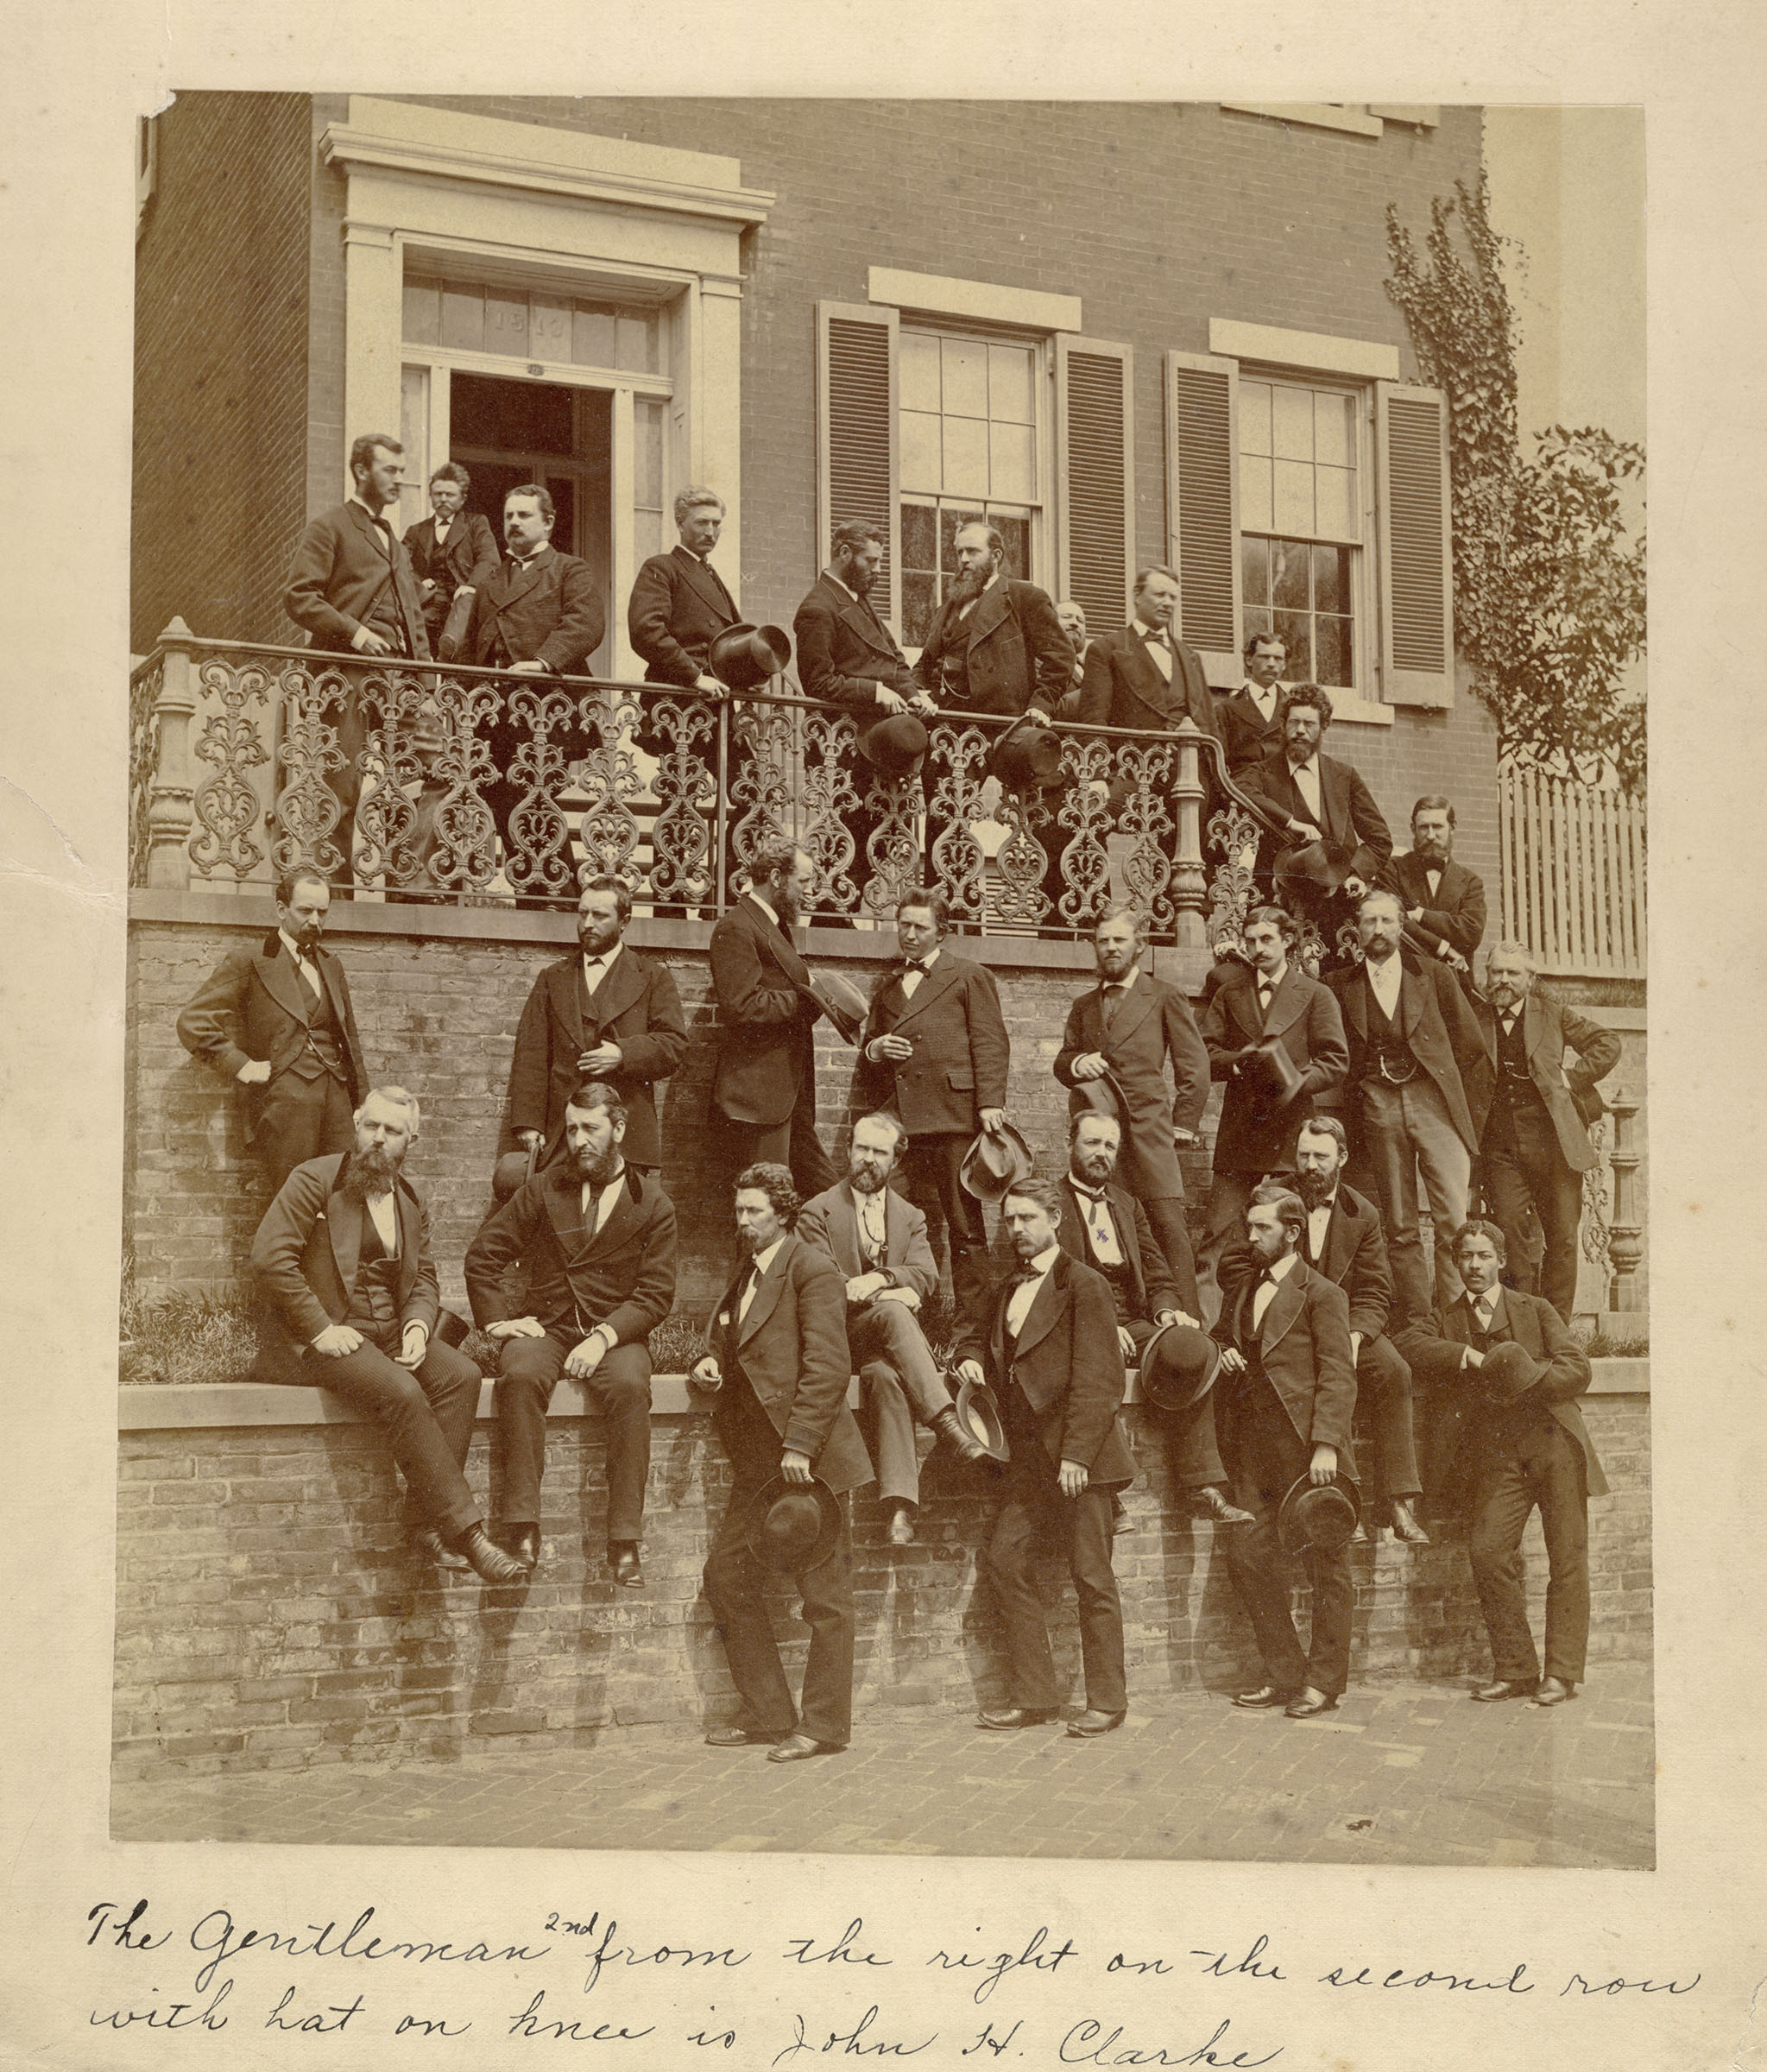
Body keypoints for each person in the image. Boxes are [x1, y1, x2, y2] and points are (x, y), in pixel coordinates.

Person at [249, 1087, 524, 1585]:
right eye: (370, 1126)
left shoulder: (409, 1200)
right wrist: (321, 1329)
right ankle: (469, 1536)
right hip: (323, 1338)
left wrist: (419, 1326)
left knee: (461, 1374)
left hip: (390, 1332)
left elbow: (424, 1277)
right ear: (356, 1124)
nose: (377, 1139)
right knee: (402, 1391)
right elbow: (270, 1259)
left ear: (410, 1140)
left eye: (392, 1131)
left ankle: (425, 1526)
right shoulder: (314, 1179)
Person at [463, 1080, 676, 1588]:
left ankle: (624, 1540)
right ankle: (522, 1528)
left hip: (615, 1334)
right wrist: (498, 1321)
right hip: (549, 1324)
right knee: (517, 1375)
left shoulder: (654, 1204)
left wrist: (604, 1337)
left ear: (619, 1130)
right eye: (572, 1128)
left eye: (591, 1129)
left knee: (629, 1388)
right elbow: (483, 1255)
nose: (579, 1140)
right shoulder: (542, 1189)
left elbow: (654, 1295)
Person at [692, 1164, 871, 1762]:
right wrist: (708, 1362)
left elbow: (827, 1367)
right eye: (738, 1211)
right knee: (725, 1577)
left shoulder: (812, 1270)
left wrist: (799, 1444)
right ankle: (768, 1710)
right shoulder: (746, 1269)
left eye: (754, 1213)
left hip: (808, 1461)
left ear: (783, 1213)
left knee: (824, 1598)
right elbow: (727, 1335)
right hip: (757, 1464)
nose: (742, 1223)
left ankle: (823, 1727)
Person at [955, 1177, 1137, 1737]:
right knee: (1004, 1560)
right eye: (1009, 1220)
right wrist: (968, 1360)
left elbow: (1099, 1379)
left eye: (1028, 1219)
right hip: (1028, 1461)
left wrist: (1077, 1456)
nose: (1017, 1230)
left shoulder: (1083, 1285)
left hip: (1080, 1459)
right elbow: (972, 1337)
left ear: (1054, 1219)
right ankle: (1035, 1697)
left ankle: (1107, 1701)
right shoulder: (1005, 1284)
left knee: (1091, 1577)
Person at [1395, 1219, 1604, 1706]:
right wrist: (1466, 1355)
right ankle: (1515, 1670)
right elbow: (1408, 1344)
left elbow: (1578, 1367)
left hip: (1553, 1441)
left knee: (1567, 1557)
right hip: (1499, 1456)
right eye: (1465, 1256)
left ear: (1501, 1261)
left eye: (1484, 1256)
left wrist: (1527, 1378)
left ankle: (1562, 1674)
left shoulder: (1536, 1308)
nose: (1474, 1265)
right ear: (1455, 1261)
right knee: (1488, 1552)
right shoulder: (1447, 1319)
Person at [797, 1114, 989, 1545]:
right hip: (837, 1335)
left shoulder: (910, 1216)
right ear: (849, 1151)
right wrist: (888, 1294)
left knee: (886, 1379)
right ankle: (949, 1424)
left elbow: (926, 1274)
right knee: (896, 1314)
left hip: (885, 1348)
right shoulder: (818, 1210)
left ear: (895, 1160)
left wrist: (883, 1280)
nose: (867, 1160)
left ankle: (900, 1508)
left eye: (879, 1153)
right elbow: (822, 1282)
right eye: (861, 1149)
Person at [1057, 1111, 1252, 1527]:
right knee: (1095, 1365)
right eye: (1092, 1143)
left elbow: (1158, 1271)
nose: (1101, 1154)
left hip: (1136, 1321)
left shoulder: (1127, 1205)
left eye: (1109, 1147)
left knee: (1196, 1349)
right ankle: (1108, 1493)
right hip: (1077, 1322)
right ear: (1070, 1144)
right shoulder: (1050, 1205)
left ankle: (1203, 1486)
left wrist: (1166, 1310)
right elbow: (1050, 1282)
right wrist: (1101, 1325)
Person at [1243, 1115, 1429, 1544]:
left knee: (1393, 1370)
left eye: (1321, 1157)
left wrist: (1357, 1334)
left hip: (1343, 1327)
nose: (1310, 1165)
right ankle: (1346, 1499)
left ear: (1342, 1158)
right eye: (1304, 1155)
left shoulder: (1361, 1213)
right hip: (1285, 1326)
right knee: (1328, 1374)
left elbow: (1376, 1288)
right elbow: (1240, 1263)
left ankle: (1399, 1499)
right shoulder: (1272, 1198)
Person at [1211, 1183, 1359, 1718]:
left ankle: (1324, 1683)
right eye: (1249, 1227)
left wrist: (1326, 1447)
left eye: (1262, 1228)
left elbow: (1339, 1376)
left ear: (1292, 1233)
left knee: (1328, 1568)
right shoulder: (1244, 1287)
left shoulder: (1324, 1294)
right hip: (1254, 1450)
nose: (1251, 1237)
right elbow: (1219, 1336)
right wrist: (1222, 1350)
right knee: (1247, 1556)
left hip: (1305, 1450)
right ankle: (1284, 1672)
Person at [1328, 890, 1492, 1323]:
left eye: (1386, 921)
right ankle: (1420, 1321)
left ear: (1402, 926)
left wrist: (1460, 1112)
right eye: (1369, 922)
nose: (1378, 930)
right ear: (1356, 930)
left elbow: (1472, 1048)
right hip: (1377, 1106)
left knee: (1453, 1219)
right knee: (1399, 1225)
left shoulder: (1435, 975)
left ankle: (1459, 1320)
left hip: (1433, 1102)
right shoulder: (1340, 985)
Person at [855, 887, 1011, 1334]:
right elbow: (869, 1057)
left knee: (964, 1227)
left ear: (941, 931)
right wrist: (876, 1049)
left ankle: (971, 1332)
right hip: (902, 1119)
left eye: (920, 927)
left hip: (953, 1116)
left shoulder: (967, 976)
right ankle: (895, 1318)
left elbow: (990, 1040)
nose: (909, 934)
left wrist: (989, 1104)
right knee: (888, 1215)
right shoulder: (888, 986)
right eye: (903, 925)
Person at [282, 433, 432, 881]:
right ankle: (335, 893)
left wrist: (426, 687)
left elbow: (414, 619)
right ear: (362, 470)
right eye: (390, 470)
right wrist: (355, 632)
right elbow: (299, 597)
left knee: (431, 772)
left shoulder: (395, 542)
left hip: (398, 682)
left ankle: (409, 889)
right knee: (341, 785)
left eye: (402, 473)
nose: (399, 481)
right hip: (344, 675)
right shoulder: (330, 526)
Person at [1196, 903, 1348, 1320]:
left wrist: (1297, 1079)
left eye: (1267, 939)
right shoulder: (1230, 993)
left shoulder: (1316, 994)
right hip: (1241, 1128)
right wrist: (1238, 1062)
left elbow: (1336, 1060)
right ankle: (1210, 1337)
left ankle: (1292, 1328)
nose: (1258, 948)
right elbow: (1204, 1054)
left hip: (1292, 1132)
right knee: (1218, 1235)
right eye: (1251, 941)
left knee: (1293, 1236)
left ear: (1287, 941)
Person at [1054, 904, 1209, 1311]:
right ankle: (1127, 1317)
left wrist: (1182, 1125)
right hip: (1102, 1137)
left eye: (1119, 940)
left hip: (1149, 1131)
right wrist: (1076, 1063)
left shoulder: (1164, 997)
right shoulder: (1084, 1006)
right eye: (1102, 941)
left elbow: (1195, 1067)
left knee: (1167, 1227)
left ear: (1139, 946)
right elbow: (1062, 1060)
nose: (1110, 948)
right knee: (1110, 1225)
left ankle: (1191, 1328)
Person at [176, 870, 368, 1195]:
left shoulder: (330, 964)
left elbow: (350, 1037)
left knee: (341, 1195)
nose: (315, 920)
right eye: (305, 911)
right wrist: (243, 1065)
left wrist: (362, 1101)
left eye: (322, 912)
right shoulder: (250, 959)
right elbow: (193, 1021)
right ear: (282, 909)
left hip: (337, 1097)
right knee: (292, 1197)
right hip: (286, 1098)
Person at [466, 483, 606, 889]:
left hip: (549, 712)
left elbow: (585, 624)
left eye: (523, 515)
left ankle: (560, 893)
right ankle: (538, 891)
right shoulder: (491, 580)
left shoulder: (569, 569)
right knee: (502, 800)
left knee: (532, 799)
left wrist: (542, 662)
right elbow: (475, 642)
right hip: (497, 715)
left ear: (547, 523)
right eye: (508, 516)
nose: (513, 523)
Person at [1474, 943, 1619, 1321]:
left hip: (1554, 1141)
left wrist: (1572, 1078)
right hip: (1500, 1144)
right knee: (1509, 1234)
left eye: (1513, 973)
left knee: (1563, 1239)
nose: (1503, 980)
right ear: (1486, 975)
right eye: (1496, 972)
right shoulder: (1475, 1016)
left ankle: (1556, 1327)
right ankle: (1524, 1323)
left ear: (1530, 979)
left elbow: (1608, 1043)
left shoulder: (1552, 1013)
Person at [505, 875, 687, 1177]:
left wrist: (623, 1054)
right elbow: (531, 1055)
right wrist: (529, 1124)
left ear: (624, 921)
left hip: (625, 1131)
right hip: (563, 1133)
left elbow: (674, 1044)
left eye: (600, 915)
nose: (588, 923)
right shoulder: (553, 978)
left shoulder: (653, 977)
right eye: (583, 913)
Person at [707, 837, 839, 1198]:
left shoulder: (771, 925)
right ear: (777, 877)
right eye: (805, 881)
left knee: (825, 1197)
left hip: (786, 1099)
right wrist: (807, 1001)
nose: (810, 891)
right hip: (758, 1104)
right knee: (763, 1206)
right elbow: (742, 1005)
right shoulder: (736, 926)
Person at [1240, 684, 1393, 938]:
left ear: (1323, 727)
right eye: (1294, 722)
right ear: (1283, 725)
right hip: (1278, 902)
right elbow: (1241, 788)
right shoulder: (1263, 772)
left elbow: (1379, 840)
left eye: (1309, 724)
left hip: (1336, 904)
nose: (1300, 731)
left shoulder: (1344, 776)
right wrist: (1290, 822)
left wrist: (1356, 874)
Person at [913, 519, 1071, 719]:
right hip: (941, 722)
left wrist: (1041, 705)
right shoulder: (945, 609)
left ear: (996, 555)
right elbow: (923, 666)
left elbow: (1060, 657)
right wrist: (916, 693)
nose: (963, 559)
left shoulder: (1024, 598)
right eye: (959, 552)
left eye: (972, 551)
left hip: (995, 723)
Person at [1076, 565, 1218, 740]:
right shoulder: (1106, 649)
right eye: (1159, 595)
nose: (1167, 603)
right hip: (1133, 762)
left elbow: (1211, 725)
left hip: (1193, 762)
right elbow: (1094, 722)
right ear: (1137, 595)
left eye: (1173, 597)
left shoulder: (1191, 656)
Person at [628, 485, 741, 696]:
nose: (710, 532)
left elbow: (733, 636)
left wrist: (748, 676)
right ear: (680, 523)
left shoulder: (710, 574)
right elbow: (646, 632)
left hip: (713, 698)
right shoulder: (662, 567)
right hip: (674, 698)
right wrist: (695, 677)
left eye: (716, 524)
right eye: (701, 523)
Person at [1377, 796, 1487, 983]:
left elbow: (1470, 934)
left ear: (1452, 828)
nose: (1430, 835)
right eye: (1423, 827)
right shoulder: (1393, 870)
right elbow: (1393, 922)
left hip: (1454, 984)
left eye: (1437, 827)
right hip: (1403, 980)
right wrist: (1443, 947)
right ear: (1413, 829)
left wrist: (1420, 915)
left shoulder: (1470, 882)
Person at [401, 460, 499, 661]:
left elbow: (489, 559)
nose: (443, 499)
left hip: (462, 602)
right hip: (428, 601)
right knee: (417, 632)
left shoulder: (476, 524)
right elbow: (400, 562)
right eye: (438, 494)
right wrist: (418, 580)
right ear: (431, 496)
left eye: (450, 495)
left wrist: (471, 586)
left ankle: (449, 649)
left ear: (462, 499)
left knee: (458, 641)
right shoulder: (416, 531)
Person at [1214, 632, 1290, 778]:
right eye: (1264, 657)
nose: (1272, 664)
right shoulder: (1226, 709)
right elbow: (1219, 765)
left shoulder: (1293, 707)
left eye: (1278, 658)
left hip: (1284, 787)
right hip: (1242, 789)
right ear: (1249, 660)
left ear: (1284, 665)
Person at [1053, 599, 1090, 717]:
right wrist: (1093, 690)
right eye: (1066, 617)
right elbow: (1048, 708)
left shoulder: (1090, 667)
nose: (1075, 623)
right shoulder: (1038, 662)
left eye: (1080, 621)